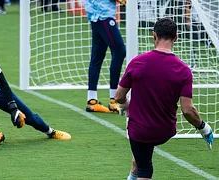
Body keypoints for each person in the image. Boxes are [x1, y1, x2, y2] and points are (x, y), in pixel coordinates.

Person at [114, 18, 214, 180]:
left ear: (154, 35)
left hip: (139, 131)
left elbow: (118, 96)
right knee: (140, 158)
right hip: (165, 131)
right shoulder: (183, 70)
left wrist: (126, 106)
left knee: (145, 169)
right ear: (176, 38)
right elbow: (187, 110)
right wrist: (203, 128)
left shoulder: (138, 62)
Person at [84, 0, 127, 113]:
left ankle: (92, 100)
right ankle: (114, 100)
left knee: (97, 56)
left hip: (96, 14)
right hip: (103, 14)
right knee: (119, 51)